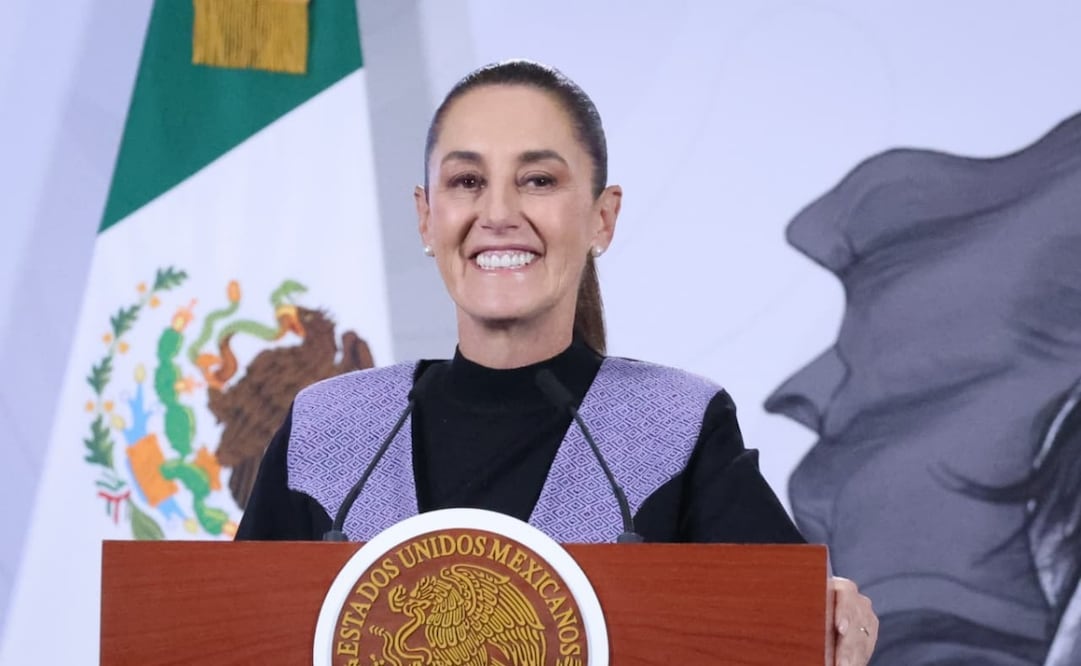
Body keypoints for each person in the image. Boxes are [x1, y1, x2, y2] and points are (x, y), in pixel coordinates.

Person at [237, 59, 877, 664]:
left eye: (538, 180)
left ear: (603, 217)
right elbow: (222, 632)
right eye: (467, 182)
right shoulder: (328, 429)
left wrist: (830, 615)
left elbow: (786, 622)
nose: (498, 214)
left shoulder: (675, 426)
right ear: (426, 218)